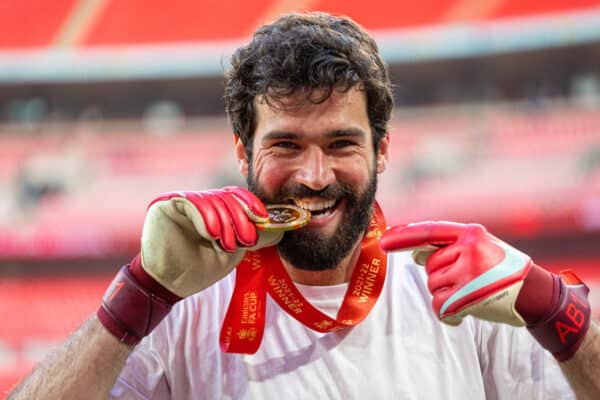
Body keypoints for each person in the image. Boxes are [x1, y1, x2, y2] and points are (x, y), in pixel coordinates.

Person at [9, 12, 600, 400]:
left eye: (342, 143)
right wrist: (141, 292)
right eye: (285, 145)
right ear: (242, 151)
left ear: (383, 150)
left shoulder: (460, 292)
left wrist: (552, 308)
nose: (314, 178)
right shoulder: (182, 305)